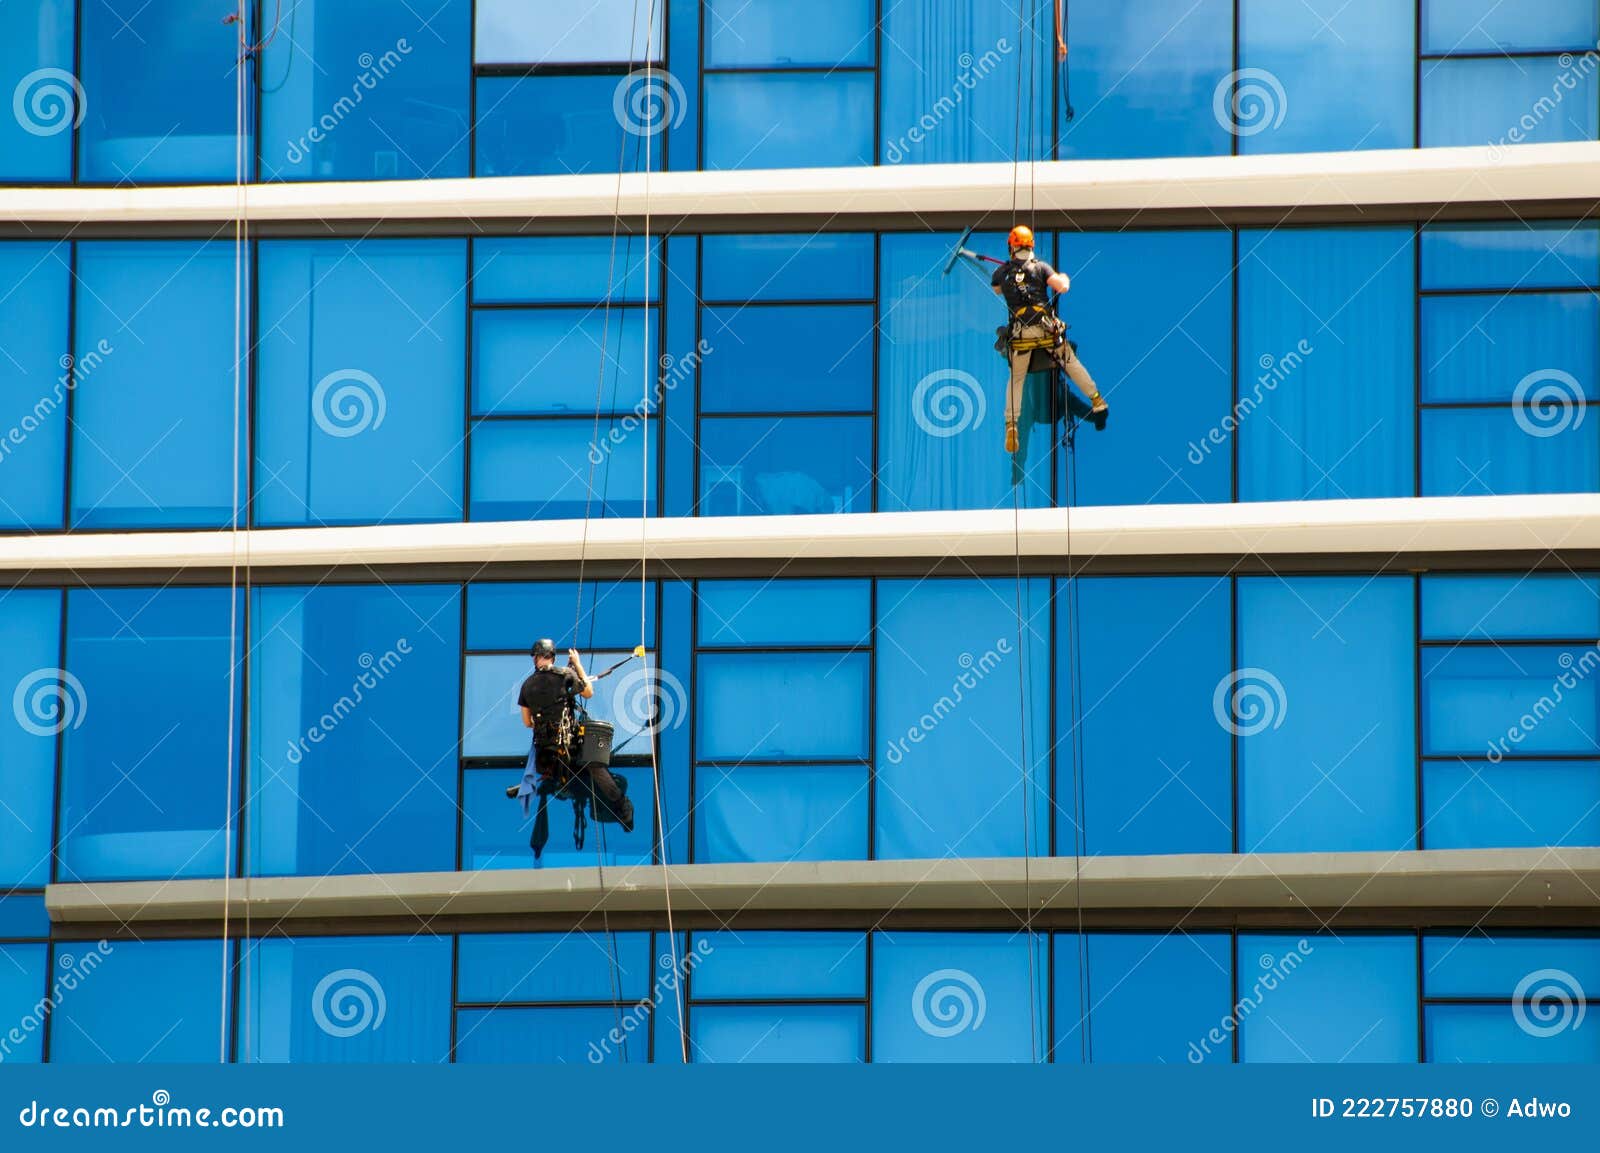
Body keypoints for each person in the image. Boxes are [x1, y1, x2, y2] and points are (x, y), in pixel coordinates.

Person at [991, 224, 1108, 453]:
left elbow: (997, 289)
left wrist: (1012, 275)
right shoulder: (1041, 268)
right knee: (1071, 363)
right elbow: (1062, 287)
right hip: (1046, 331)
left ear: (1011, 247)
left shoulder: (1002, 272)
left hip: (1021, 334)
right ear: (1031, 246)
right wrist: (1060, 276)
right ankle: (1096, 400)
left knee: (1016, 379)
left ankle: (1011, 423)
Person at [507, 638, 634, 836]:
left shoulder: (526, 685)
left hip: (545, 749)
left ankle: (536, 784)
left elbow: (527, 722)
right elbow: (588, 692)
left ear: (536, 658)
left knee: (553, 771)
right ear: (552, 656)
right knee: (595, 766)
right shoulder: (565, 675)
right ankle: (622, 807)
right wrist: (577, 665)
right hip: (569, 744)